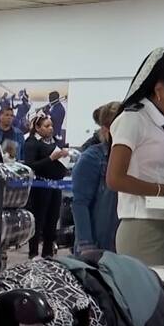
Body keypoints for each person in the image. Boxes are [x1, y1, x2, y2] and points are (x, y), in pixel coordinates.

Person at [107, 48, 164, 326]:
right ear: (159, 90)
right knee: (155, 316)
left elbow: (161, 175)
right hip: (141, 227)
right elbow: (115, 178)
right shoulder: (133, 120)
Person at [71, 101, 122, 253]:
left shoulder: (130, 157)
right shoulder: (92, 157)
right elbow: (80, 203)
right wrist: (86, 243)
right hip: (98, 243)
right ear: (106, 129)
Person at [22, 111, 68, 258]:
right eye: (47, 126)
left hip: (55, 186)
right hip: (40, 186)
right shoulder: (31, 143)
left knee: (52, 219)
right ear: (37, 128)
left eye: (51, 126)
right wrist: (50, 158)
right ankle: (33, 253)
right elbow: (30, 165)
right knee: (39, 220)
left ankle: (48, 252)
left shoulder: (54, 141)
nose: (51, 128)